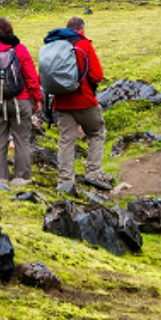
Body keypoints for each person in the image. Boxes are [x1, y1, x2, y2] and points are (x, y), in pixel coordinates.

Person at [44, 16, 109, 193]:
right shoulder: (84, 45)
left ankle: (65, 181)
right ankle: (93, 173)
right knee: (97, 132)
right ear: (81, 30)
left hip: (61, 101)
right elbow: (97, 75)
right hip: (84, 100)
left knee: (66, 140)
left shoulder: (54, 47)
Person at [0, 17, 42, 190]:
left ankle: (0, 180)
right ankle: (22, 179)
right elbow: (31, 76)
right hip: (20, 101)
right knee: (22, 140)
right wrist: (37, 99)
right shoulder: (19, 49)